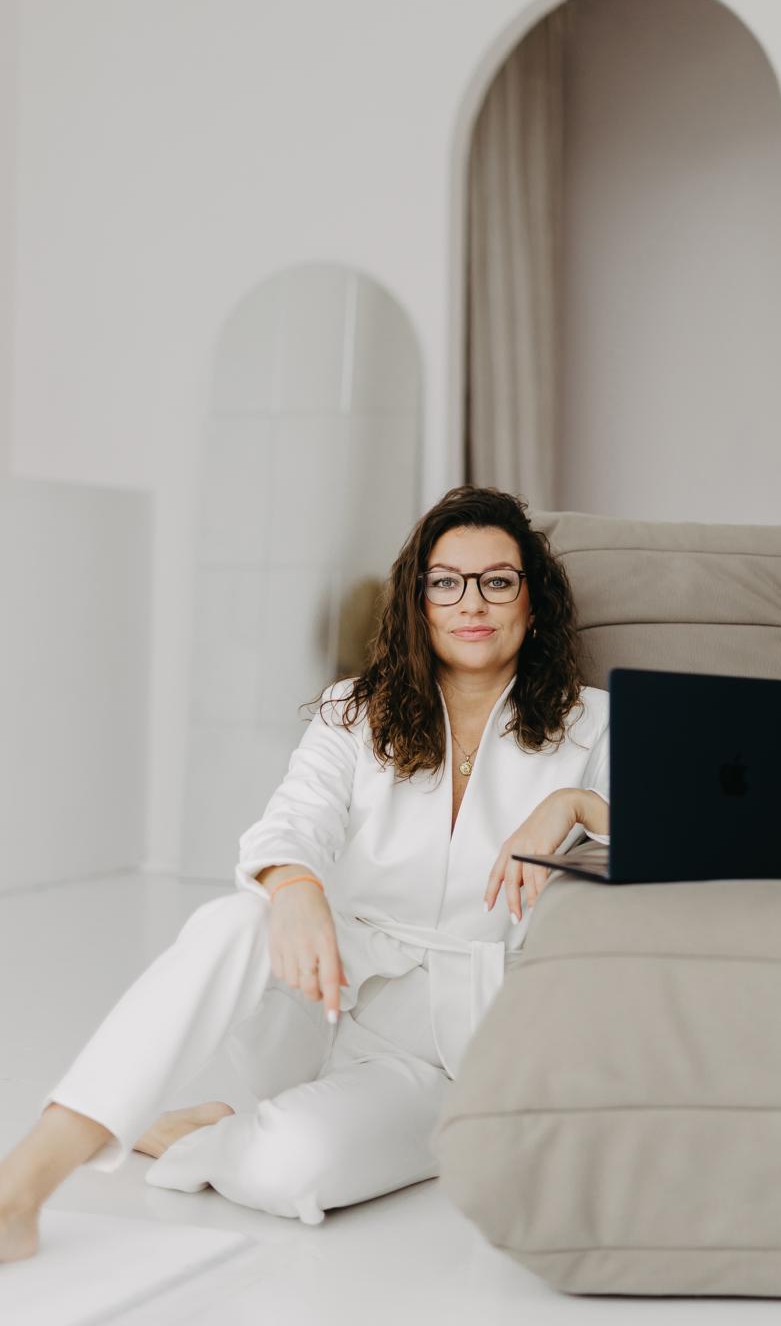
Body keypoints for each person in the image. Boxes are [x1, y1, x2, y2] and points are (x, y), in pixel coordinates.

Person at [0, 485, 610, 1261]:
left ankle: (194, 1133)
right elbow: (292, 821)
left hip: (447, 1053)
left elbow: (685, 842)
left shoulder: (592, 723)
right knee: (237, 918)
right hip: (321, 992)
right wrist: (293, 888)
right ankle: (21, 1185)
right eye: (446, 582)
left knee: (291, 1171)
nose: (472, 602)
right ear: (418, 601)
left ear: (533, 602)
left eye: (497, 581)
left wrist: (576, 804)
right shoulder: (354, 710)